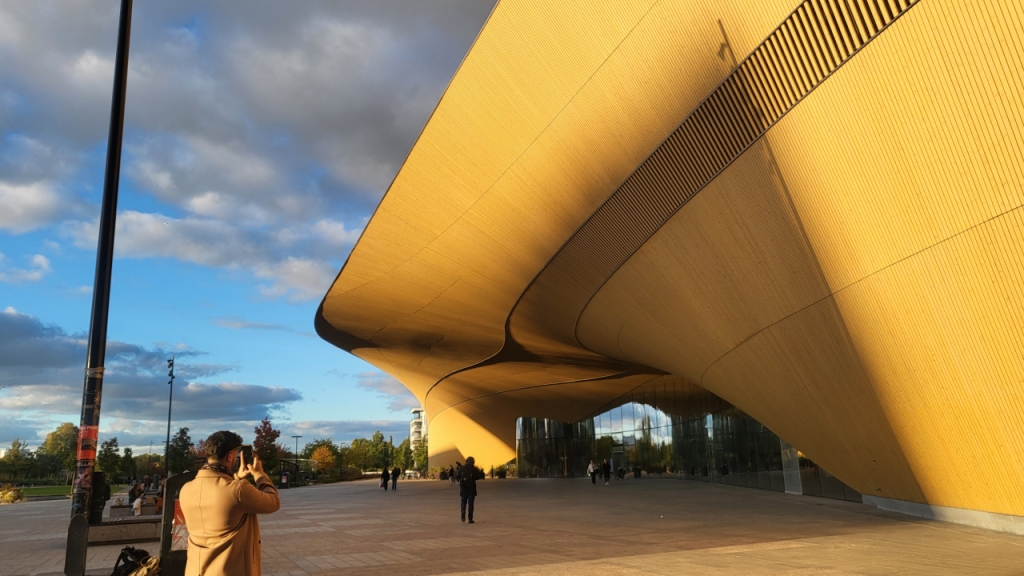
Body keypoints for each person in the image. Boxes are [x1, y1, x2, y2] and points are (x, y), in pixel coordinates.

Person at [179, 431, 280, 576]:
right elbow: (273, 502)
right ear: (230, 455)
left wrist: (236, 477)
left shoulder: (186, 489)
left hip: (196, 570)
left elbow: (221, 497)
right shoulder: (239, 490)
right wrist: (259, 474)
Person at [459, 456, 478, 523]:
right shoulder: (473, 469)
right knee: (471, 504)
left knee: (463, 502)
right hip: (471, 488)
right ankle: (470, 518)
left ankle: (463, 511)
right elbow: (477, 477)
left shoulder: (462, 468)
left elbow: (457, 476)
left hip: (463, 488)